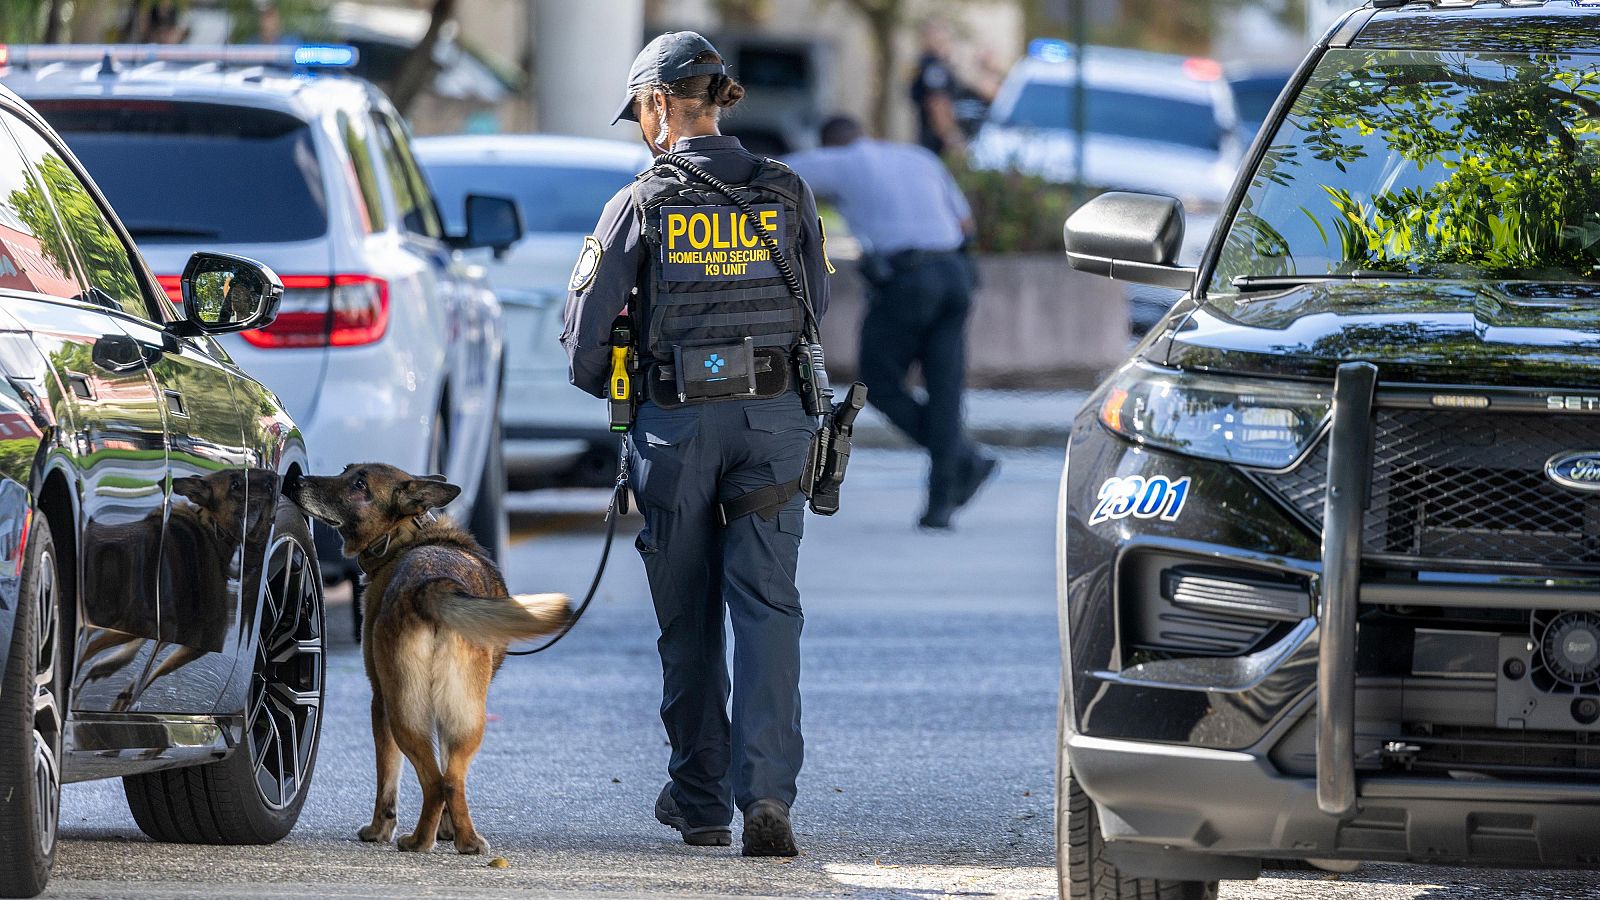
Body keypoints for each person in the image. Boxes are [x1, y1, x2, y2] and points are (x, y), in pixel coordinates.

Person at [560, 31, 830, 858]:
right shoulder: (789, 191)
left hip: (675, 427)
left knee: (689, 620)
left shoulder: (639, 202)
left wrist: (630, 385)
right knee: (767, 609)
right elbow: (814, 305)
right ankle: (769, 797)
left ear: (655, 107)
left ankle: (702, 802)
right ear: (718, 102)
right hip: (775, 424)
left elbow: (582, 346)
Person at [785, 115, 996, 530]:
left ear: (829, 146)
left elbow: (772, 171)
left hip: (907, 281)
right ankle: (941, 503)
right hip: (955, 275)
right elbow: (964, 223)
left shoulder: (843, 161)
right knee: (945, 391)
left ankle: (965, 459)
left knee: (877, 384)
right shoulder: (918, 157)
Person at [911, 21, 971, 157]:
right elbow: (938, 104)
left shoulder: (923, 64)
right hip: (938, 143)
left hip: (927, 139)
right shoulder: (935, 67)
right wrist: (952, 137)